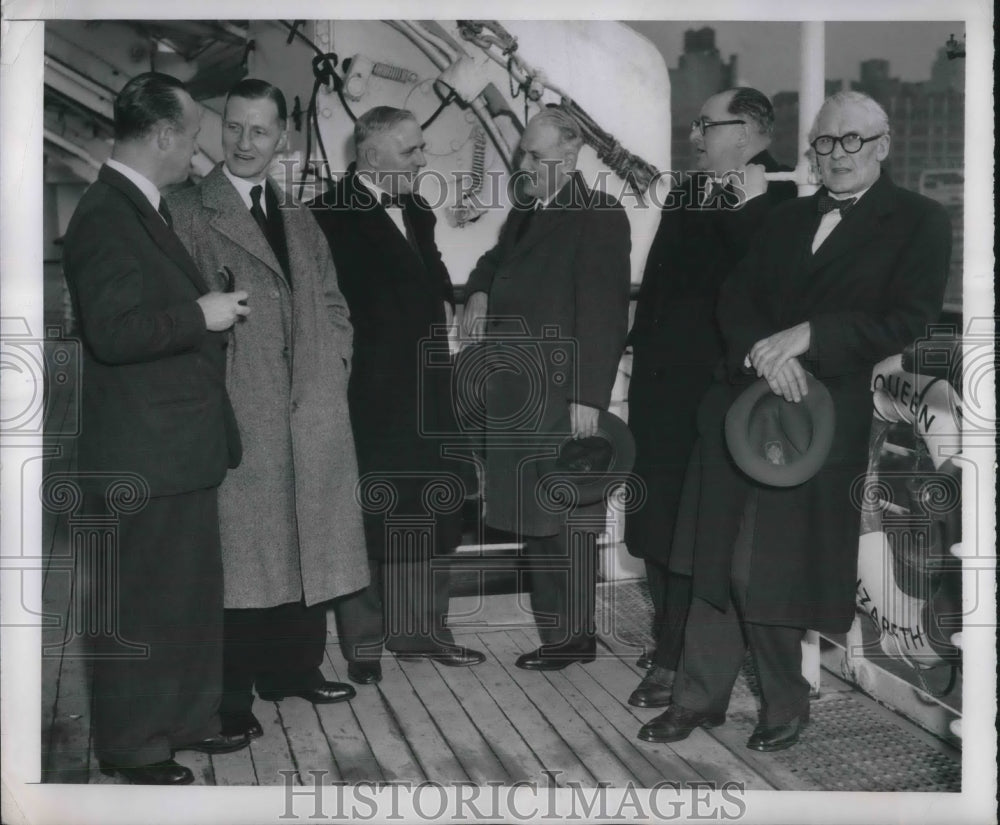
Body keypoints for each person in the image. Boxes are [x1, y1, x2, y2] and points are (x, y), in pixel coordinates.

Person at [639, 90, 951, 751]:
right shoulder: (784, 217)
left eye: (853, 141)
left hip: (820, 414)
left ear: (883, 145)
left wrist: (810, 337)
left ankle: (785, 703)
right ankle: (697, 699)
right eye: (825, 142)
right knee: (711, 553)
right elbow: (737, 293)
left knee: (773, 565)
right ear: (811, 148)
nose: (837, 155)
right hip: (746, 398)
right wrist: (765, 350)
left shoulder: (920, 220)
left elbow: (910, 317)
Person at [62, 72, 251, 784]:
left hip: (174, 447)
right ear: (165, 134)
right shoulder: (106, 216)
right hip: (145, 450)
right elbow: (113, 333)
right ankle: (136, 745)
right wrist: (199, 316)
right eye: (196, 136)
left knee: (186, 590)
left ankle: (187, 720)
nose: (200, 153)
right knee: (142, 599)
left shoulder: (142, 208)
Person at [169, 79, 368, 740]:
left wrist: (332, 365)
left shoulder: (300, 215)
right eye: (234, 128)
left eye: (260, 130)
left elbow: (336, 303)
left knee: (304, 545)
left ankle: (294, 670)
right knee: (242, 561)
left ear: (283, 136)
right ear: (217, 129)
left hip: (309, 412)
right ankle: (228, 696)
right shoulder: (189, 210)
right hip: (240, 414)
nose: (245, 143)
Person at [625, 88, 796, 708]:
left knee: (693, 529)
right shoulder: (689, 189)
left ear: (749, 131)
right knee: (653, 520)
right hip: (658, 388)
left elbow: (768, 285)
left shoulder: (782, 197)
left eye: (707, 125)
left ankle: (675, 660)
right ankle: (668, 641)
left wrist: (742, 206)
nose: (695, 137)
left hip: (715, 393)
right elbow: (666, 282)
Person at [308, 106, 485, 681]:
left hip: (428, 392)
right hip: (365, 398)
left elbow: (432, 276)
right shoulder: (323, 217)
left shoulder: (416, 206)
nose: (422, 158)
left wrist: (470, 295)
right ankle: (364, 645)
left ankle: (420, 631)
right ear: (373, 154)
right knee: (367, 515)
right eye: (411, 150)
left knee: (429, 509)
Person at [462, 108, 631, 670]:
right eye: (522, 154)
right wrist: (480, 290)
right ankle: (562, 632)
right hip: (517, 392)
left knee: (566, 521)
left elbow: (605, 314)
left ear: (572, 153)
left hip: (561, 394)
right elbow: (494, 261)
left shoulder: (599, 216)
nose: (524, 163)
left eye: (536, 155)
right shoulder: (527, 211)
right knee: (538, 520)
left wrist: (588, 397)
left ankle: (573, 637)